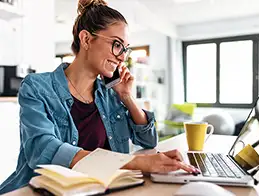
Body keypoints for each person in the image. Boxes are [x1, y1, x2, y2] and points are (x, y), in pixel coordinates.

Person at [0, 0, 197, 194]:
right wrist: (135, 162)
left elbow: (148, 140)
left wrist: (127, 97)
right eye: (117, 45)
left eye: (125, 49)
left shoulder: (110, 93)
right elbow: (42, 150)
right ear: (86, 39)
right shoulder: (37, 87)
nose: (122, 57)